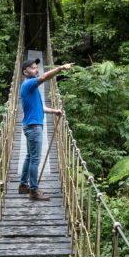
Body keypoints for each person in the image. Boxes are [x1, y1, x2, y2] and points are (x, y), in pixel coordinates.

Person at [18, 58, 74, 201]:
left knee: (30, 157)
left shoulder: (30, 88)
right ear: (25, 72)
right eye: (33, 68)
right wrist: (60, 68)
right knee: (35, 159)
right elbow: (44, 77)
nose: (37, 69)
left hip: (30, 125)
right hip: (34, 127)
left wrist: (54, 111)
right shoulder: (29, 84)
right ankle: (34, 191)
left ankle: (24, 185)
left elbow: (39, 107)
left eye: (37, 67)